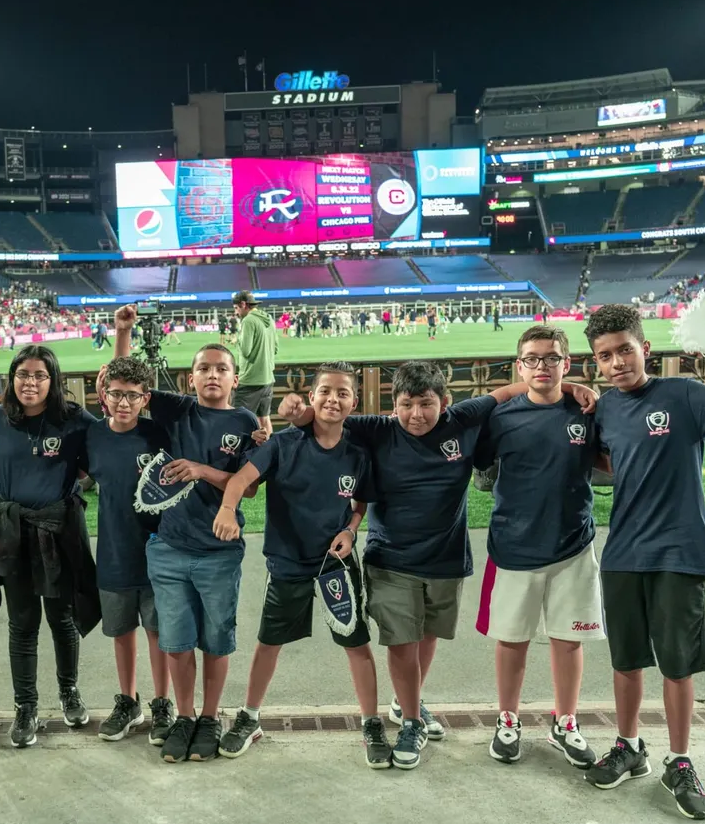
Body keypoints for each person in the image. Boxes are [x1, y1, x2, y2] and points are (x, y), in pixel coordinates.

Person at [279, 362, 596, 772]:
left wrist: (568, 385)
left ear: (444, 403)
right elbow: (327, 420)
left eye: (426, 404)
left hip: (446, 559)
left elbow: (510, 391)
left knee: (427, 635)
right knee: (401, 640)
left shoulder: (462, 419)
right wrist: (301, 414)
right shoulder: (377, 429)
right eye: (406, 404)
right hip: (391, 558)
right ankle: (412, 723)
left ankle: (406, 702)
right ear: (394, 405)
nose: (416, 414)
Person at [581, 301, 705, 821]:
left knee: (678, 666)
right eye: (605, 355)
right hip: (622, 553)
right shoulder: (605, 409)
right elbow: (606, 462)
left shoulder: (683, 394)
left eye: (624, 350)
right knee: (626, 660)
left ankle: (680, 761)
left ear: (646, 347)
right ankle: (628, 745)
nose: (617, 362)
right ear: (596, 362)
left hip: (680, 551)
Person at [214, 362, 392, 769]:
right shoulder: (284, 444)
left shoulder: (358, 451)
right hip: (288, 559)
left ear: (354, 401)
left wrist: (351, 528)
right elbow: (241, 480)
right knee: (269, 641)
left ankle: (370, 722)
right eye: (325, 391)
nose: (333, 399)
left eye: (343, 393)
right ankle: (250, 717)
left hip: (334, 560)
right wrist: (227, 509)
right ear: (312, 397)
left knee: (356, 642)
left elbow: (360, 501)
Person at [108, 304, 261, 763]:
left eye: (222, 369)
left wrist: (202, 470)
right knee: (175, 639)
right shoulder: (175, 410)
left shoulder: (246, 425)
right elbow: (120, 380)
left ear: (235, 379)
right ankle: (186, 716)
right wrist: (122, 332)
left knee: (216, 638)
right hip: (169, 548)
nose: (212, 374)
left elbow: (249, 492)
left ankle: (211, 717)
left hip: (219, 551)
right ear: (189, 378)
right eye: (203, 368)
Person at [473, 326, 603, 770]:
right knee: (512, 639)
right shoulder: (501, 416)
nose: (541, 366)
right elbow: (479, 468)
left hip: (573, 544)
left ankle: (565, 720)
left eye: (551, 358)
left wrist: (581, 392)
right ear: (519, 366)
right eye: (532, 359)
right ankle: (507, 718)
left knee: (569, 639)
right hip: (514, 544)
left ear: (567, 364)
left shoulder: (587, 411)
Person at [0, 345, 99, 748]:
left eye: (39, 375)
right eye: (22, 375)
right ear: (12, 379)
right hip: (14, 532)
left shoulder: (74, 420)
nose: (30, 383)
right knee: (22, 624)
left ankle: (69, 692)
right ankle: (26, 707)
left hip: (60, 529)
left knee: (63, 620)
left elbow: (101, 457)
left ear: (54, 379)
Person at [85, 356, 175, 743]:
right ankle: (128, 700)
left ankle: (162, 702)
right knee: (122, 632)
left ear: (145, 398)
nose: (123, 403)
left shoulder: (159, 434)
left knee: (158, 631)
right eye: (116, 394)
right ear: (104, 395)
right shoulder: (92, 436)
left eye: (132, 396)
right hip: (114, 550)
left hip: (157, 551)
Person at [232, 290, 278, 435]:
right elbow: (275, 348)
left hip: (250, 380)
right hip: (268, 379)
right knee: (264, 420)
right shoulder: (269, 319)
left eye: (236, 308)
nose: (236, 313)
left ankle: (242, 456)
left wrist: (237, 341)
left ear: (243, 304)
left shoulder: (248, 321)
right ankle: (269, 454)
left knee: (237, 421)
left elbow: (246, 351)